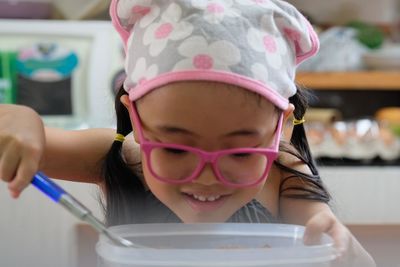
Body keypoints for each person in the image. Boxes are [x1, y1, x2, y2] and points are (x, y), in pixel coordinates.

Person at [0, 0, 375, 266]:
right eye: (175, 150)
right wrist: (18, 118)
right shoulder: (115, 159)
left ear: (279, 129)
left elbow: (329, 238)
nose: (207, 177)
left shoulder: (282, 168)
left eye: (241, 153)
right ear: (136, 116)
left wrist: (345, 251)